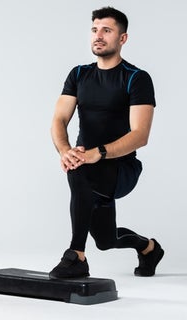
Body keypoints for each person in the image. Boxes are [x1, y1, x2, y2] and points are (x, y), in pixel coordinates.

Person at [49, 7, 163, 279]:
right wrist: (66, 151)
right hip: (85, 163)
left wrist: (97, 153)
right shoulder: (78, 74)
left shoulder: (137, 78)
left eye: (107, 30)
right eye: (94, 30)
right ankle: (149, 248)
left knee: (79, 170)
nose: (98, 36)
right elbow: (58, 119)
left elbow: (140, 134)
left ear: (122, 38)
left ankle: (76, 255)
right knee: (106, 240)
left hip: (121, 167)